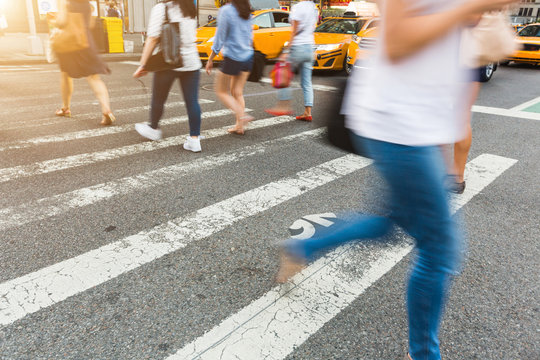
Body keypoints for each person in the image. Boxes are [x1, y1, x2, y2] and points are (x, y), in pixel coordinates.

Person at [276, 1, 517, 360]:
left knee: (392, 224)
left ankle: (303, 248)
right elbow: (399, 41)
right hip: (396, 121)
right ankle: (423, 354)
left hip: (419, 121)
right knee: (439, 249)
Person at [133, 0, 203, 152]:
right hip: (191, 61)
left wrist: (143, 64)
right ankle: (194, 139)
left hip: (169, 61)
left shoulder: (162, 8)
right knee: (192, 102)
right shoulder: (190, 7)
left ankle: (153, 128)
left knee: (159, 98)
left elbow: (152, 38)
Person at [54, 0, 115, 126]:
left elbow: (61, 22)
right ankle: (106, 109)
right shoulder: (88, 5)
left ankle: (66, 108)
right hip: (86, 43)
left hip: (69, 43)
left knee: (65, 75)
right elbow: (90, 25)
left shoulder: (66, 3)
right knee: (94, 78)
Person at [205, 0, 254, 135]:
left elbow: (219, 38)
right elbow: (250, 36)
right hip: (248, 56)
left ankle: (242, 116)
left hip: (233, 57)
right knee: (237, 92)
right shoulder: (247, 11)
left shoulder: (226, 11)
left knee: (221, 91)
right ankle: (239, 126)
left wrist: (210, 59)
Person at [265, 0, 317, 122]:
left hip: (299, 46)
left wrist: (286, 51)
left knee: (283, 72)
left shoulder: (298, 7)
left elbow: (294, 31)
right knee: (306, 82)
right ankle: (307, 112)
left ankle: (283, 106)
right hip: (310, 47)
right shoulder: (313, 8)